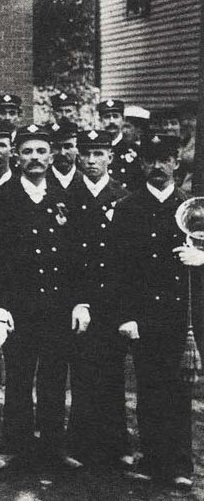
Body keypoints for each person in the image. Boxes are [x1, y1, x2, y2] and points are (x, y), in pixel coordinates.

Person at [0, 124, 84, 470]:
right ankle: (15, 444)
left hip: (58, 306)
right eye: (27, 151)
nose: (34, 158)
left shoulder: (68, 196)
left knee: (54, 377)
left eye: (41, 151)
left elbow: (79, 255)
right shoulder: (3, 198)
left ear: (52, 155)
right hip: (20, 307)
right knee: (18, 376)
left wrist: (80, 301)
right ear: (17, 156)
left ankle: (53, 446)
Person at [110, 133, 198, 489]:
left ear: (177, 163)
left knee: (179, 392)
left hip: (183, 317)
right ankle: (150, 458)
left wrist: (202, 258)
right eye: (151, 159)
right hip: (144, 315)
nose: (158, 167)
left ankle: (180, 464)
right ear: (141, 163)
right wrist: (126, 315)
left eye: (166, 159)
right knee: (148, 388)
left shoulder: (192, 208)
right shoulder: (128, 208)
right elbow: (117, 267)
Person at [64, 128, 131, 472]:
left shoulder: (124, 195)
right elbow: (64, 254)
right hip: (78, 298)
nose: (91, 160)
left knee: (112, 370)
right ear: (78, 156)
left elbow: (128, 255)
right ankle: (78, 442)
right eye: (86, 153)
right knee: (82, 370)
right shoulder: (67, 194)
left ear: (111, 157)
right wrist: (77, 300)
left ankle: (116, 443)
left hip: (113, 297)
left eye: (99, 153)